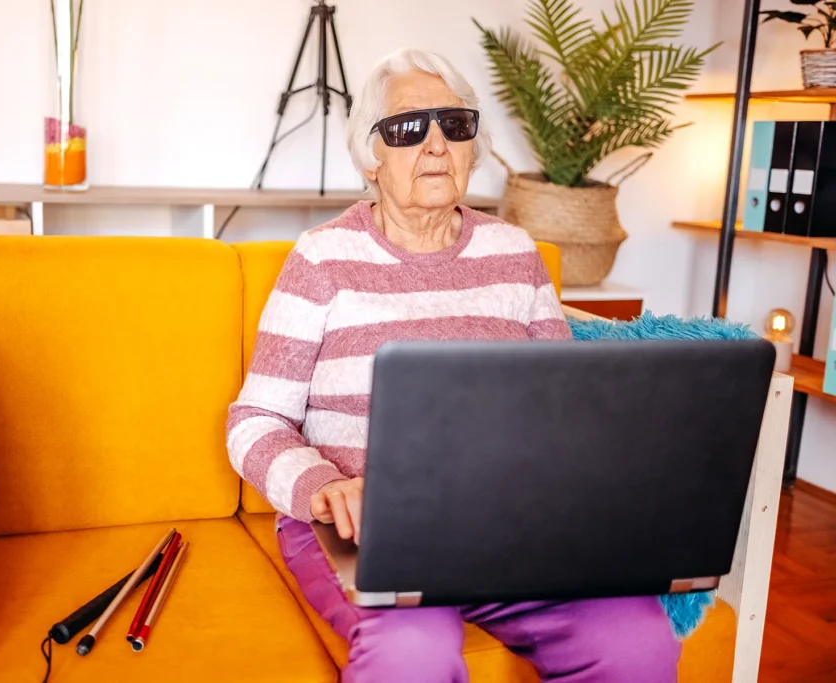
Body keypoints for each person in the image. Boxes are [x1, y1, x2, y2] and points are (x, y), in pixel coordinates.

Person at [226, 48, 680, 683]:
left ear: (473, 146)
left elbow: (564, 412)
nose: (436, 144)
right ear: (371, 158)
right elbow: (255, 419)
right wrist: (322, 488)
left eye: (455, 125)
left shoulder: (516, 253)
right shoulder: (322, 260)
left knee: (637, 638)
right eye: (409, 127)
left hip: (507, 528)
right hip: (365, 531)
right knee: (414, 651)